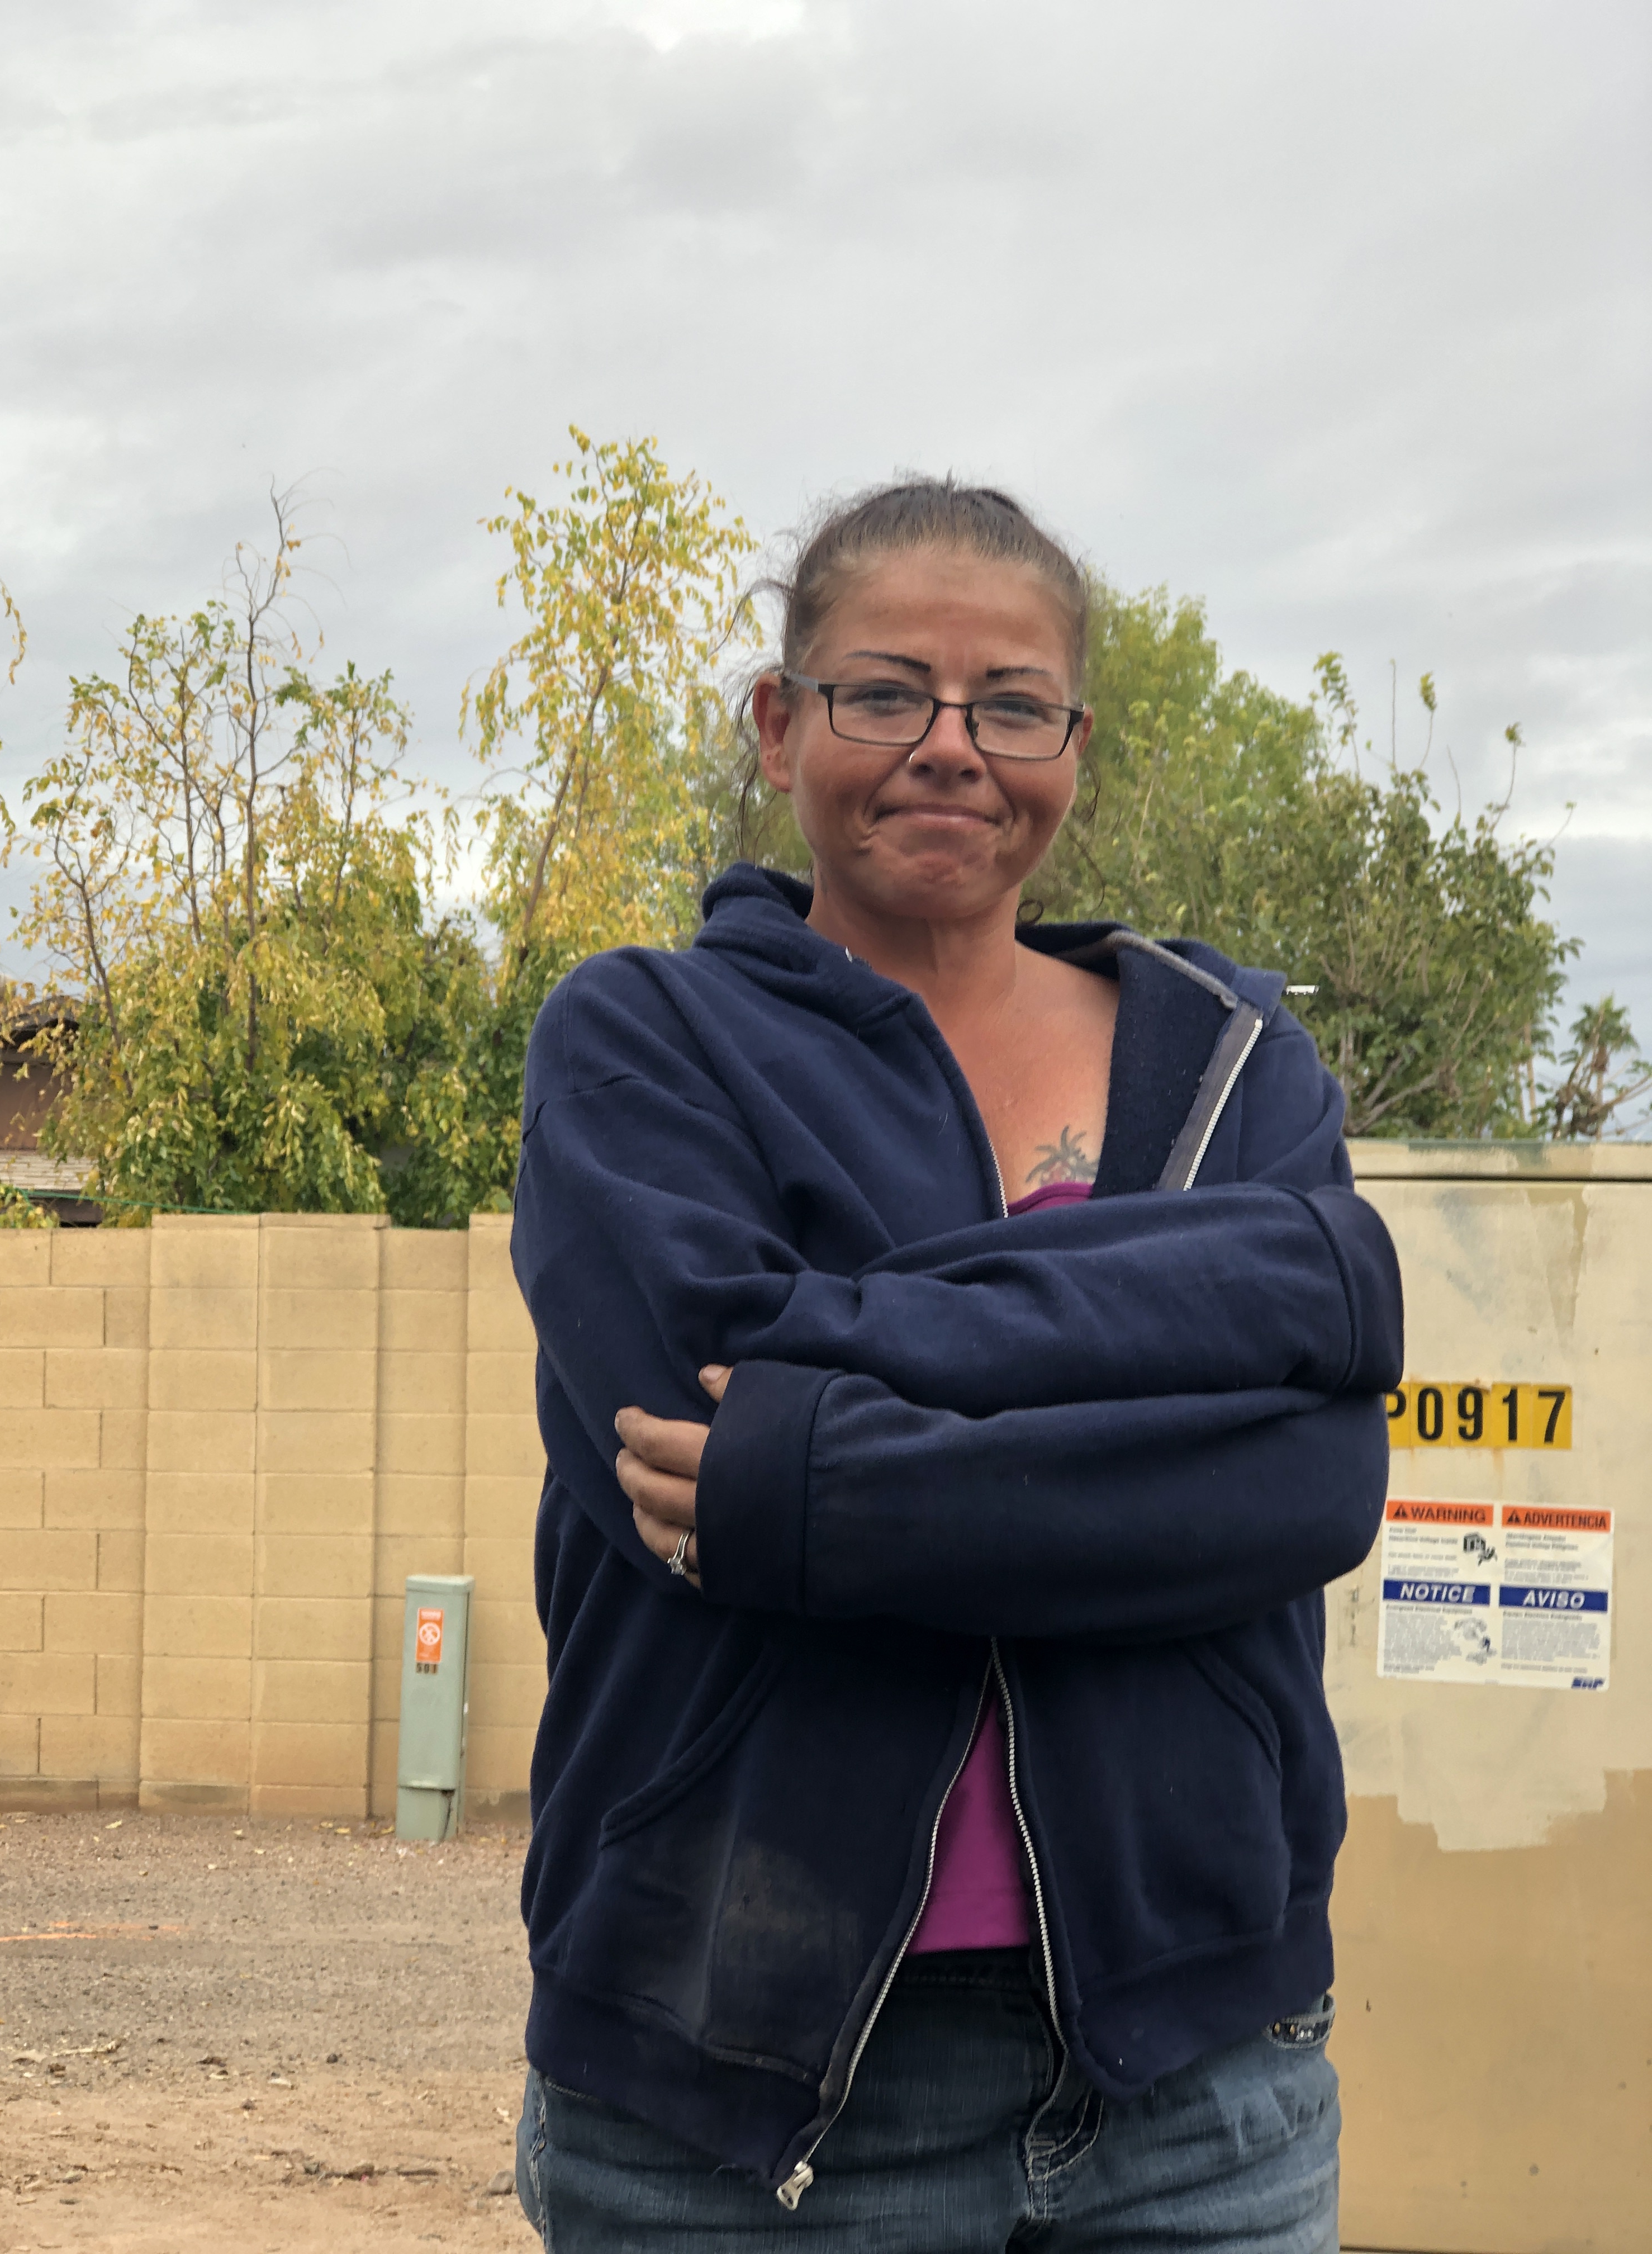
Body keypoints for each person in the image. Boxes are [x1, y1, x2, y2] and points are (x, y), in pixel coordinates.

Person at [509, 480, 1402, 2251]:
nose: (950, 747)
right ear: (780, 724)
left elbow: (1315, 1487)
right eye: (884, 692)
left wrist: (818, 1484)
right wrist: (1168, 1354)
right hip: (729, 2094)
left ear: (1072, 745)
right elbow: (691, 1404)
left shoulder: (1234, 1068)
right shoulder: (643, 1042)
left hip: (1200, 2091)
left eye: (1011, 705)